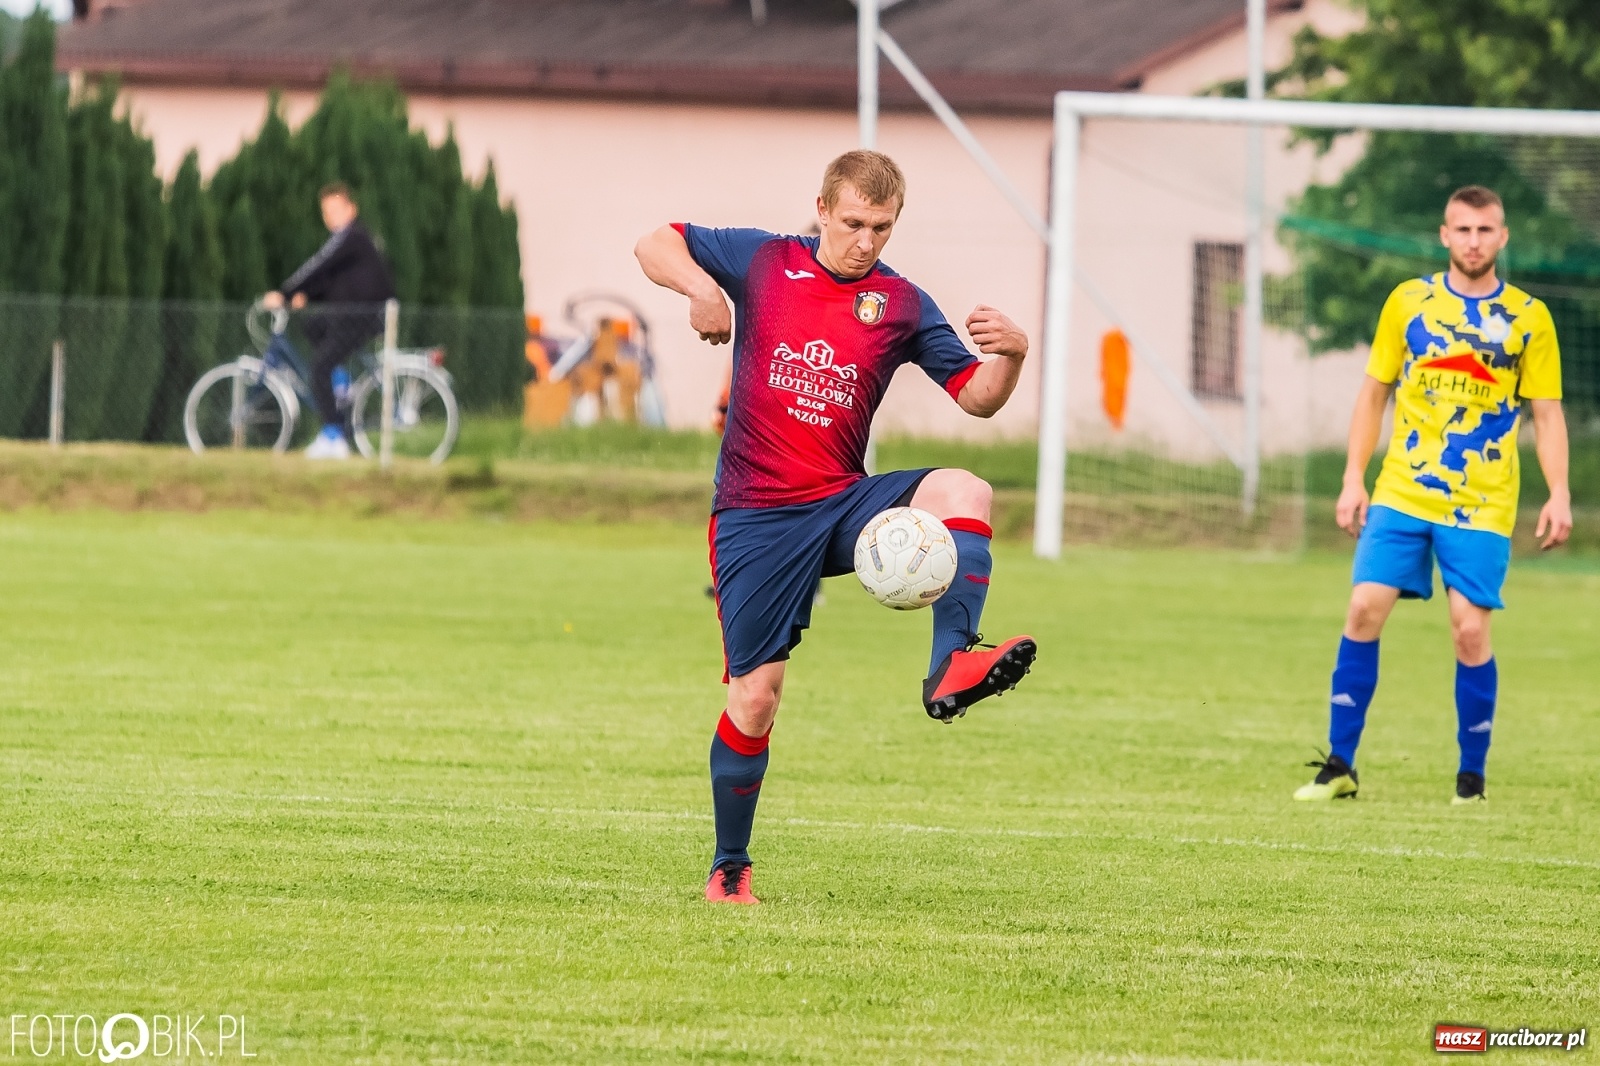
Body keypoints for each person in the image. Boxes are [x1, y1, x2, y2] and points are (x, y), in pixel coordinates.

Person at [635, 149, 1038, 905]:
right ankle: (729, 868)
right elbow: (654, 241)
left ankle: (952, 663)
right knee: (756, 699)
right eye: (853, 223)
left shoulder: (903, 305)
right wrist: (701, 291)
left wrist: (1012, 357)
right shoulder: (762, 261)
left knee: (965, 487)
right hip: (755, 517)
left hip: (843, 504)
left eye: (881, 227)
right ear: (822, 209)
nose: (865, 240)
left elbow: (977, 400)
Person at [1295, 184, 1571, 806]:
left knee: (1469, 630)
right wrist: (1351, 478)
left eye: (1485, 230)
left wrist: (1558, 492)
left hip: (1484, 500)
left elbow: (1548, 416)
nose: (1474, 241)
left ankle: (1470, 780)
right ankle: (1340, 765)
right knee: (1364, 607)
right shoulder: (1408, 303)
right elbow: (1374, 394)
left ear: (1502, 237)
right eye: (1463, 230)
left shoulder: (1529, 319)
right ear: (1444, 235)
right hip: (1403, 490)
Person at [263, 182, 396, 460]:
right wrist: (304, 296)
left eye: (336, 209)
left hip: (361, 317)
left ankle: (334, 436)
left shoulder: (352, 237)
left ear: (352, 209)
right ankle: (341, 383)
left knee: (318, 368)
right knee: (311, 326)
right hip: (352, 314)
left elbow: (319, 265)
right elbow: (332, 280)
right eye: (326, 211)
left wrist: (284, 292)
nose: (331, 216)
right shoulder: (349, 241)